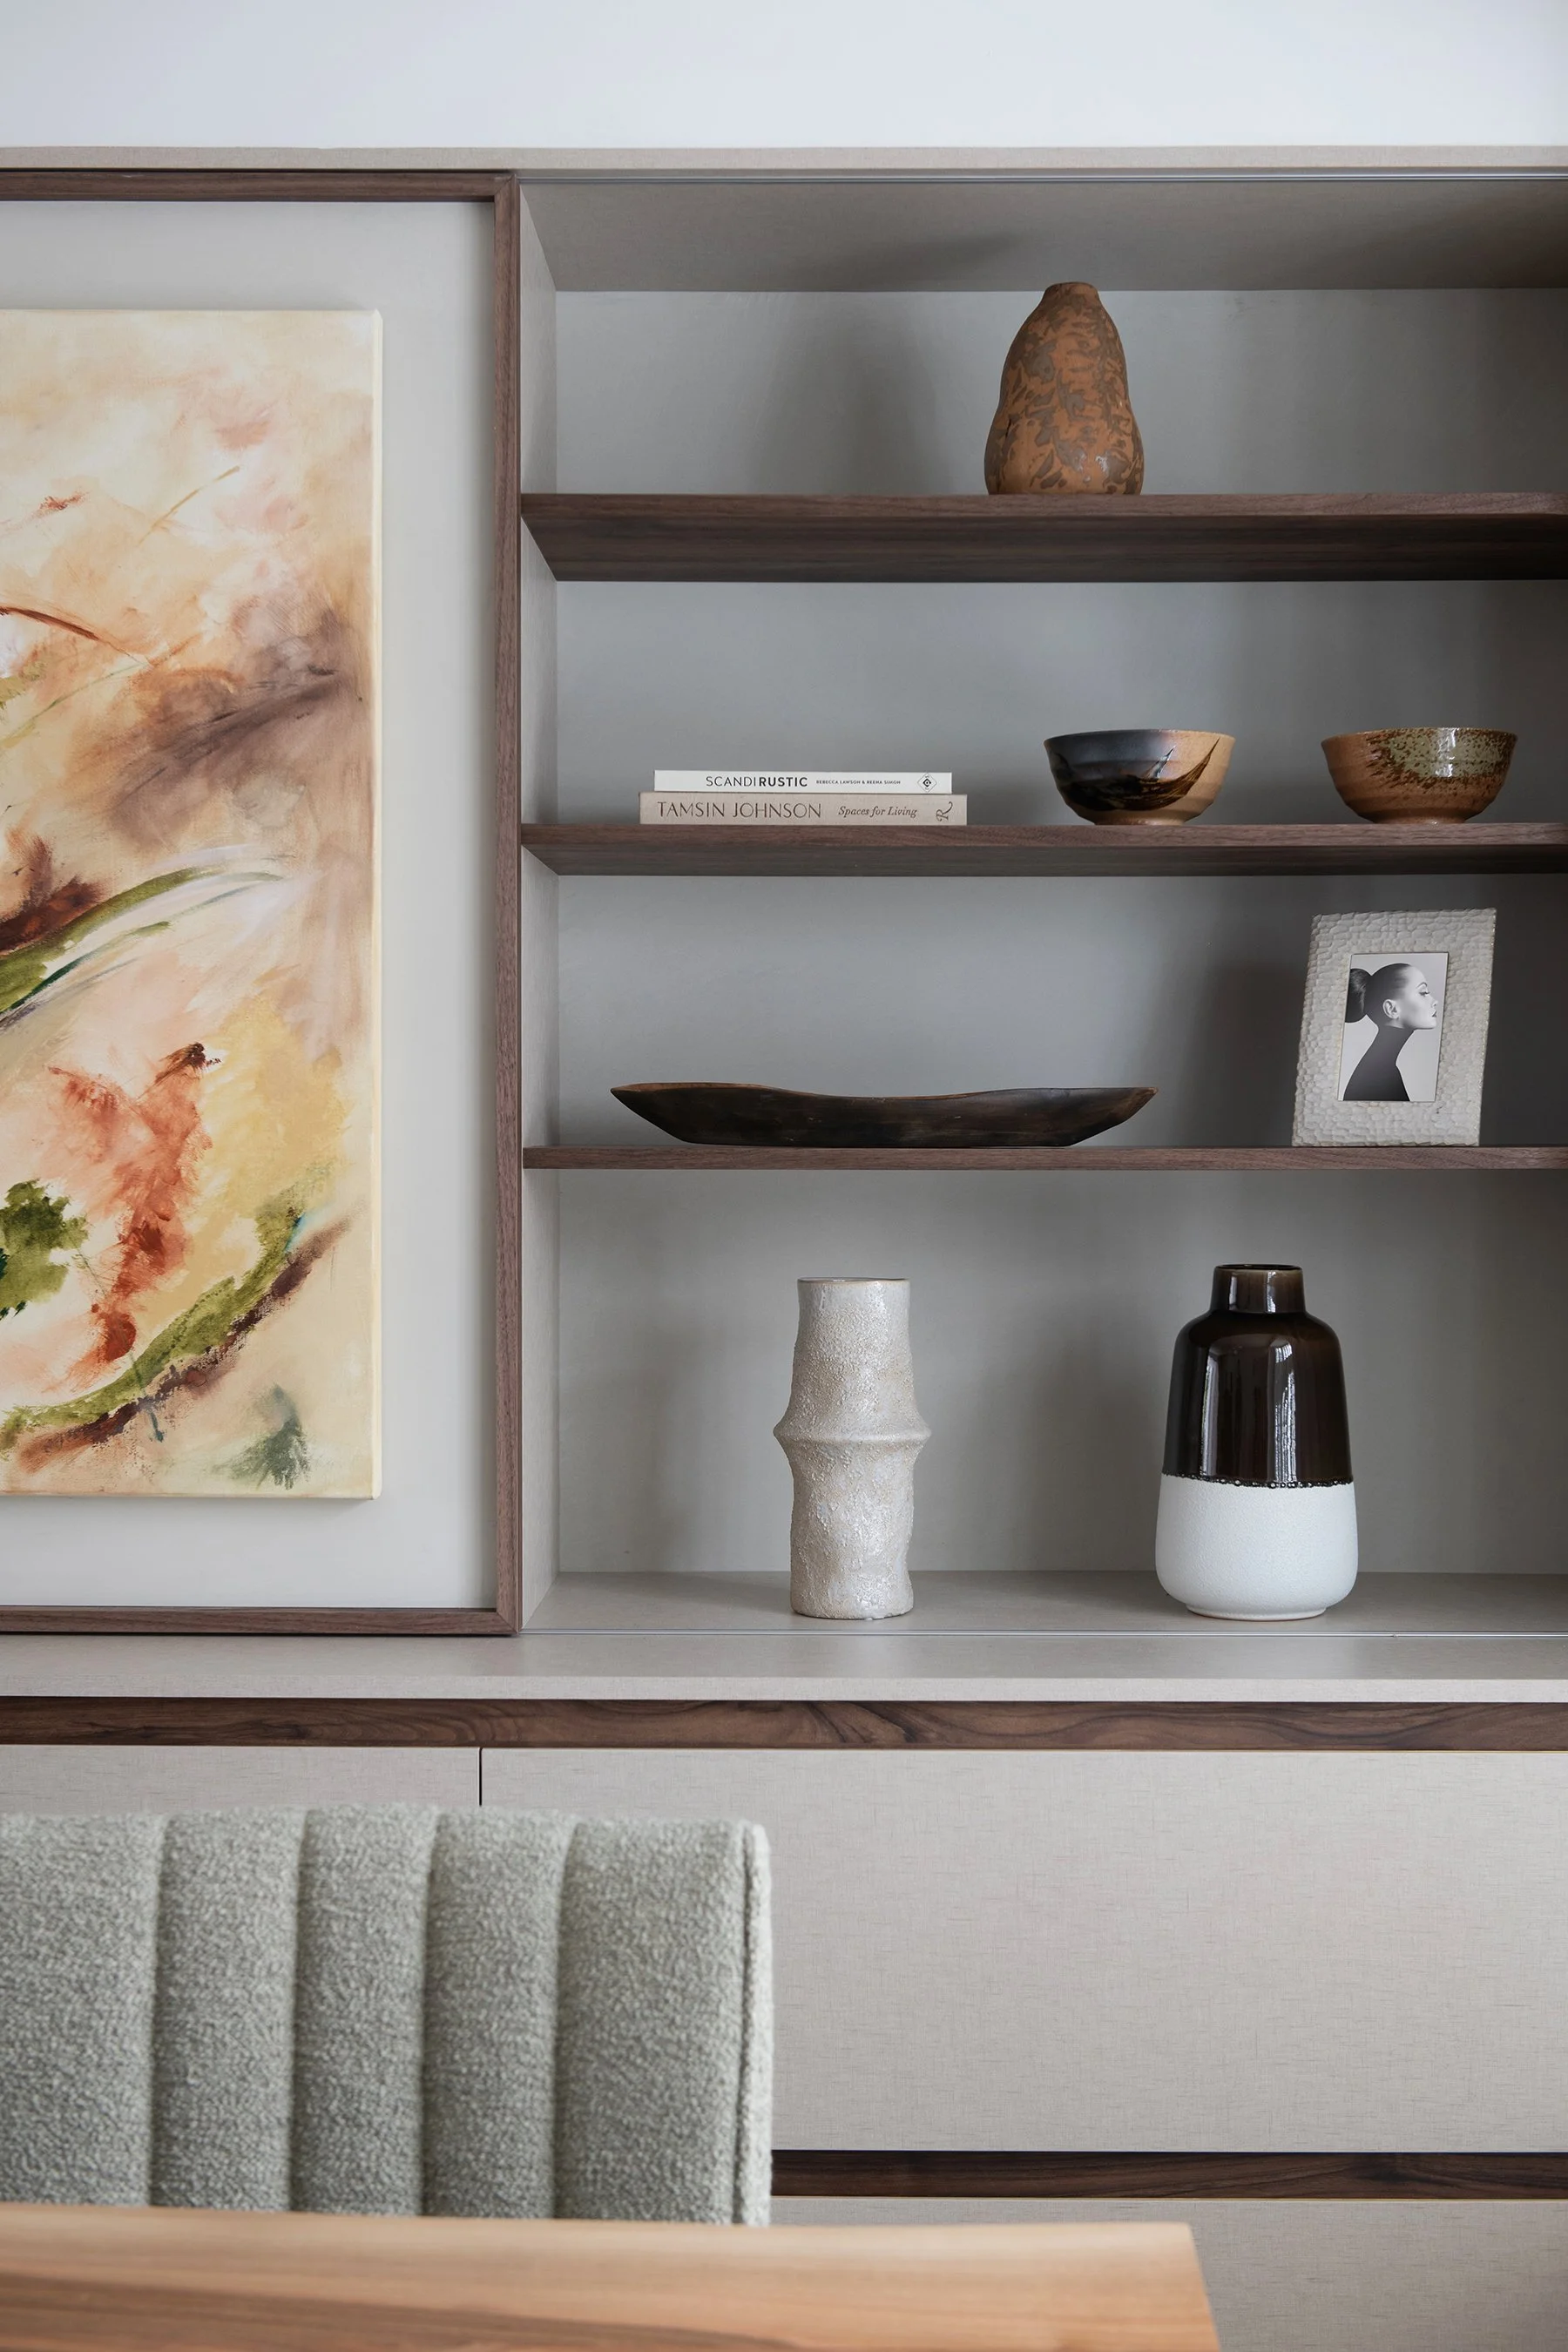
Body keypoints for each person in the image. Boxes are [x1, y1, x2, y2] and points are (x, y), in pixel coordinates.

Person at [1342, 960, 1438, 1101]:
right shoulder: (1380, 1075)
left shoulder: (1379, 1069)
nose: (1435, 1001)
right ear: (1392, 1009)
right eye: (1423, 992)